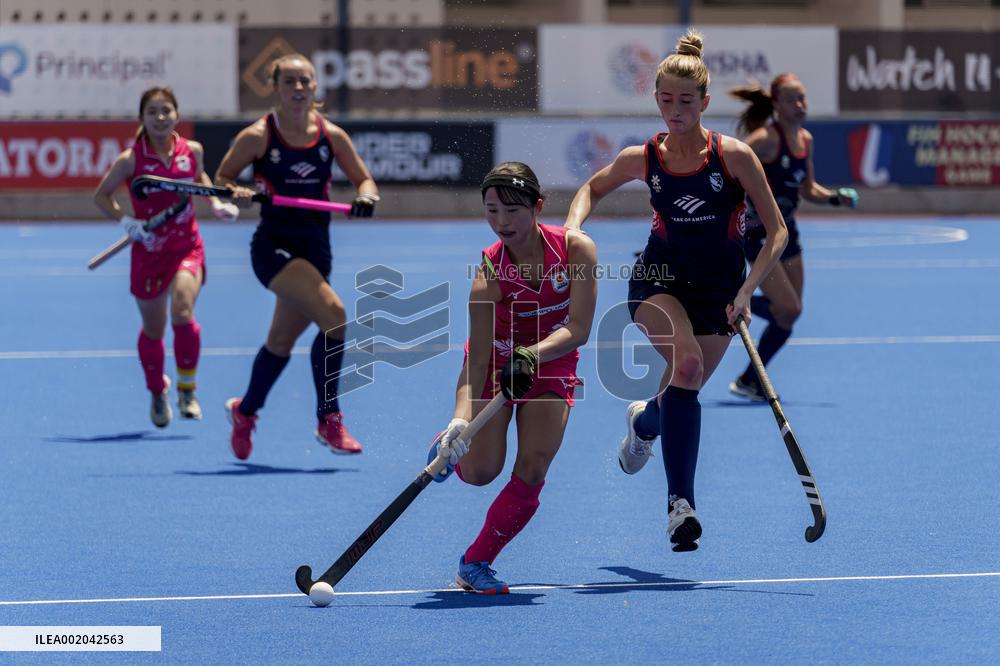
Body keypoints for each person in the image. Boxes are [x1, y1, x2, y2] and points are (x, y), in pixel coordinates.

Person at [563, 30, 788, 552]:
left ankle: (643, 424)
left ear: (704, 103)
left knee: (678, 392)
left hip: (719, 292)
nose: (674, 110)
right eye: (665, 99)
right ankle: (680, 507)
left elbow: (776, 231)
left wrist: (747, 292)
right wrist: (573, 230)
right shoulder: (644, 157)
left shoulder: (733, 157)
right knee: (686, 366)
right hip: (658, 281)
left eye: (685, 101)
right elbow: (591, 188)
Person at [429, 162, 598, 593]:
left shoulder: (576, 251)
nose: (501, 222)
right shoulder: (488, 275)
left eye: (513, 211)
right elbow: (476, 360)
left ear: (538, 206)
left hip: (551, 359)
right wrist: (459, 419)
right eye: (491, 211)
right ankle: (451, 446)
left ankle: (476, 562)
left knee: (534, 465)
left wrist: (532, 355)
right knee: (482, 471)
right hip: (497, 362)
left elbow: (579, 328)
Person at [215, 53, 380, 460]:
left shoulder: (331, 136)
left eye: (305, 80)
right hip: (273, 247)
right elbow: (222, 179)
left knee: (280, 342)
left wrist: (365, 197)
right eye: (289, 81)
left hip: (316, 247)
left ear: (315, 87)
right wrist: (237, 193)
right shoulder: (258, 136)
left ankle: (245, 411)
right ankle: (329, 418)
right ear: (276, 87)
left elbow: (365, 180)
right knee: (335, 314)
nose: (299, 88)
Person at [94, 86, 239, 428]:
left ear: (177, 115)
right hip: (149, 253)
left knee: (183, 311)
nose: (160, 118)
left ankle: (188, 391)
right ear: (142, 118)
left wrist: (215, 203)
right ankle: (157, 390)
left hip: (187, 246)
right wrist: (127, 222)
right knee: (153, 330)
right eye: (152, 112)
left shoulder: (193, 150)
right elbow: (101, 196)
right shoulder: (131, 160)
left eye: (166, 111)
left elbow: (199, 179)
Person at [726, 74, 859, 400]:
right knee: (787, 306)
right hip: (759, 233)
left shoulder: (805, 139)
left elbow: (807, 188)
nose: (799, 105)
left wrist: (834, 198)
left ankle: (749, 381)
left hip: (787, 231)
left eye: (802, 98)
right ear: (776, 104)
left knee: (789, 314)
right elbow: (727, 169)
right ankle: (725, 300)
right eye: (791, 100)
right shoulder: (764, 140)